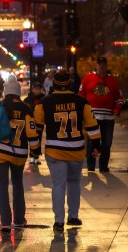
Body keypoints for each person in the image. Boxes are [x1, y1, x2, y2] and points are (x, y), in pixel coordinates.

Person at [34, 69, 101, 232]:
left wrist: (34, 149)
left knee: (58, 185)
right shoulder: (82, 102)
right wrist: (96, 145)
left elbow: (37, 128)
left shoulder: (44, 103)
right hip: (76, 150)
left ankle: (58, 221)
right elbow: (92, 125)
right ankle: (73, 216)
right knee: (74, 182)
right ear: (70, 84)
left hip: (55, 150)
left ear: (54, 84)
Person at [0, 75, 40, 232]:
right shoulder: (26, 109)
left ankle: (6, 222)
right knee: (17, 184)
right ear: (18, 92)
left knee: (2, 186)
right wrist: (35, 150)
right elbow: (32, 133)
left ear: (6, 91)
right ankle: (20, 220)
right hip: (18, 153)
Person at [78, 56, 123, 173]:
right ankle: (91, 166)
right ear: (96, 65)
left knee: (107, 143)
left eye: (104, 64)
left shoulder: (112, 81)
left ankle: (103, 166)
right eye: (99, 64)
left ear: (106, 66)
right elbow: (81, 97)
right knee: (91, 141)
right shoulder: (88, 78)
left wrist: (117, 109)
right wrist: (83, 113)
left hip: (108, 117)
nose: (102, 66)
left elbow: (119, 98)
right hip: (92, 117)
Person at [23, 81, 45, 165]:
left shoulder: (43, 99)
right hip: (30, 123)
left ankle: (36, 157)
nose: (37, 91)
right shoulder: (28, 99)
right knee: (32, 139)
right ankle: (31, 156)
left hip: (39, 123)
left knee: (38, 139)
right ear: (32, 89)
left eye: (39, 89)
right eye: (36, 89)